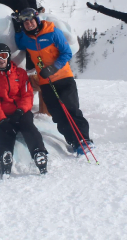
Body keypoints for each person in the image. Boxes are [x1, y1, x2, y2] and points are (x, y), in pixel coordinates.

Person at [14, 8, 94, 155]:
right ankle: (73, 140)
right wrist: (17, 29)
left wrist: (53, 68)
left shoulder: (52, 32)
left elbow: (67, 53)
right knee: (57, 115)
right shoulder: (26, 38)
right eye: (25, 23)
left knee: (71, 110)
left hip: (64, 78)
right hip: (46, 83)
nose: (29, 24)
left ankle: (84, 140)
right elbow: (19, 45)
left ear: (37, 20)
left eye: (31, 21)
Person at [0, 43, 48, 178]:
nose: (1, 60)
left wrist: (20, 111)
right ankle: (4, 158)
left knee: (28, 127)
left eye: (3, 56)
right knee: (5, 132)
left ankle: (39, 153)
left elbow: (27, 95)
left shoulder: (20, 73)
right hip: (4, 113)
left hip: (21, 111)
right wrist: (1, 120)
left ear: (8, 57)